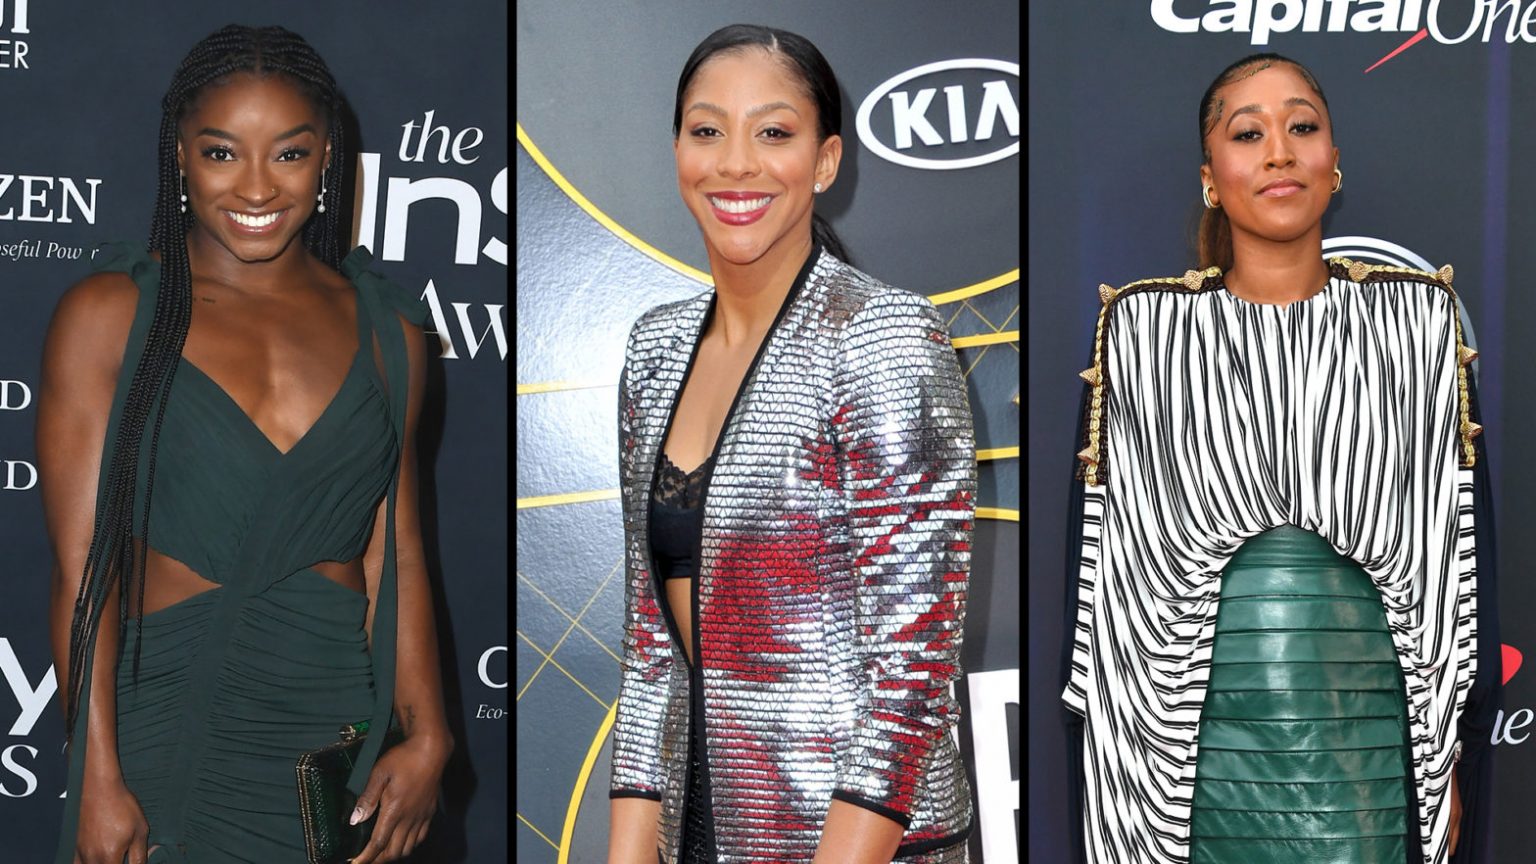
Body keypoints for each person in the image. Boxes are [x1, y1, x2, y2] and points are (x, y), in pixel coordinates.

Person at [1059, 52, 1501, 864]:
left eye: (1302, 126)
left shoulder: (1418, 326)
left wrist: (1460, 757)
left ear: (1335, 162)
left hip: (1376, 755)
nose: (1278, 152)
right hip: (1185, 762)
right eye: (1247, 133)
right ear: (1209, 176)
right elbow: (1099, 583)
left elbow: (1463, 565)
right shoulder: (1143, 336)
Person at [39, 25, 453, 864]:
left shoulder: (390, 334)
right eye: (222, 152)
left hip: (336, 727)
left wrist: (429, 733)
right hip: (169, 728)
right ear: (180, 156)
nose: (257, 186)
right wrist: (96, 773)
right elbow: (84, 571)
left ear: (328, 156)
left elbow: (397, 553)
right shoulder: (111, 317)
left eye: (290, 153)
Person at [605, 23, 976, 864]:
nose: (736, 163)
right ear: (677, 152)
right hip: (697, 821)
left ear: (826, 160)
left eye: (773, 132)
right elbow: (651, 648)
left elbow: (912, 675)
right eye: (708, 131)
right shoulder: (654, 349)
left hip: (859, 836)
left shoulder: (881, 336)